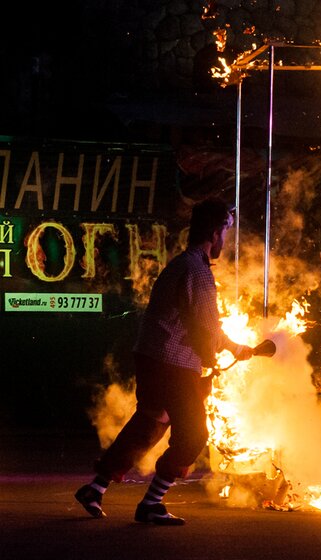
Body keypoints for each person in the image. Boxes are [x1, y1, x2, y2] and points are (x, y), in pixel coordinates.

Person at [75, 197, 253, 525]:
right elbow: (206, 327)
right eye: (224, 233)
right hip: (172, 363)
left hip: (154, 356)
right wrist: (232, 348)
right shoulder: (196, 270)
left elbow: (201, 325)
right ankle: (152, 503)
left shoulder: (183, 264)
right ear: (215, 233)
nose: (224, 242)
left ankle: (95, 488)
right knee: (194, 434)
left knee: (149, 424)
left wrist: (228, 347)